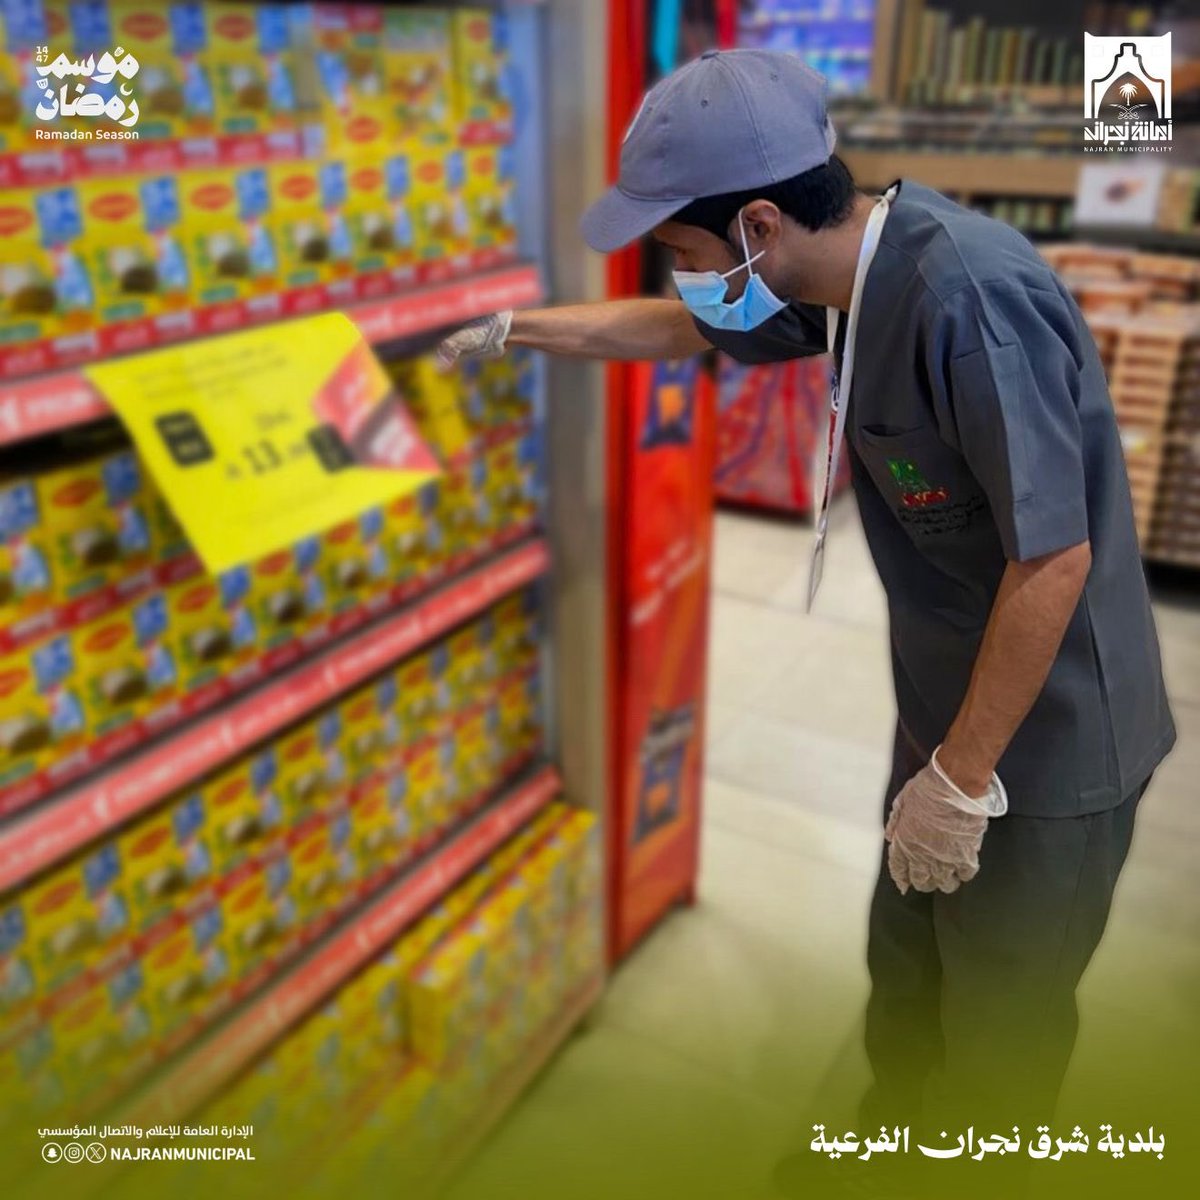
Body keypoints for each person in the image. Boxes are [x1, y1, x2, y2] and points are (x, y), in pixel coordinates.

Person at [437, 49, 1177, 1197]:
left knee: (1000, 1030)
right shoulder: (837, 285)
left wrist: (961, 780)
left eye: (684, 251)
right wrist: (514, 327)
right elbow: (677, 330)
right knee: (910, 978)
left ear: (759, 225)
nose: (683, 276)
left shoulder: (967, 302)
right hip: (948, 713)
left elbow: (1054, 557)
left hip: (1044, 745)